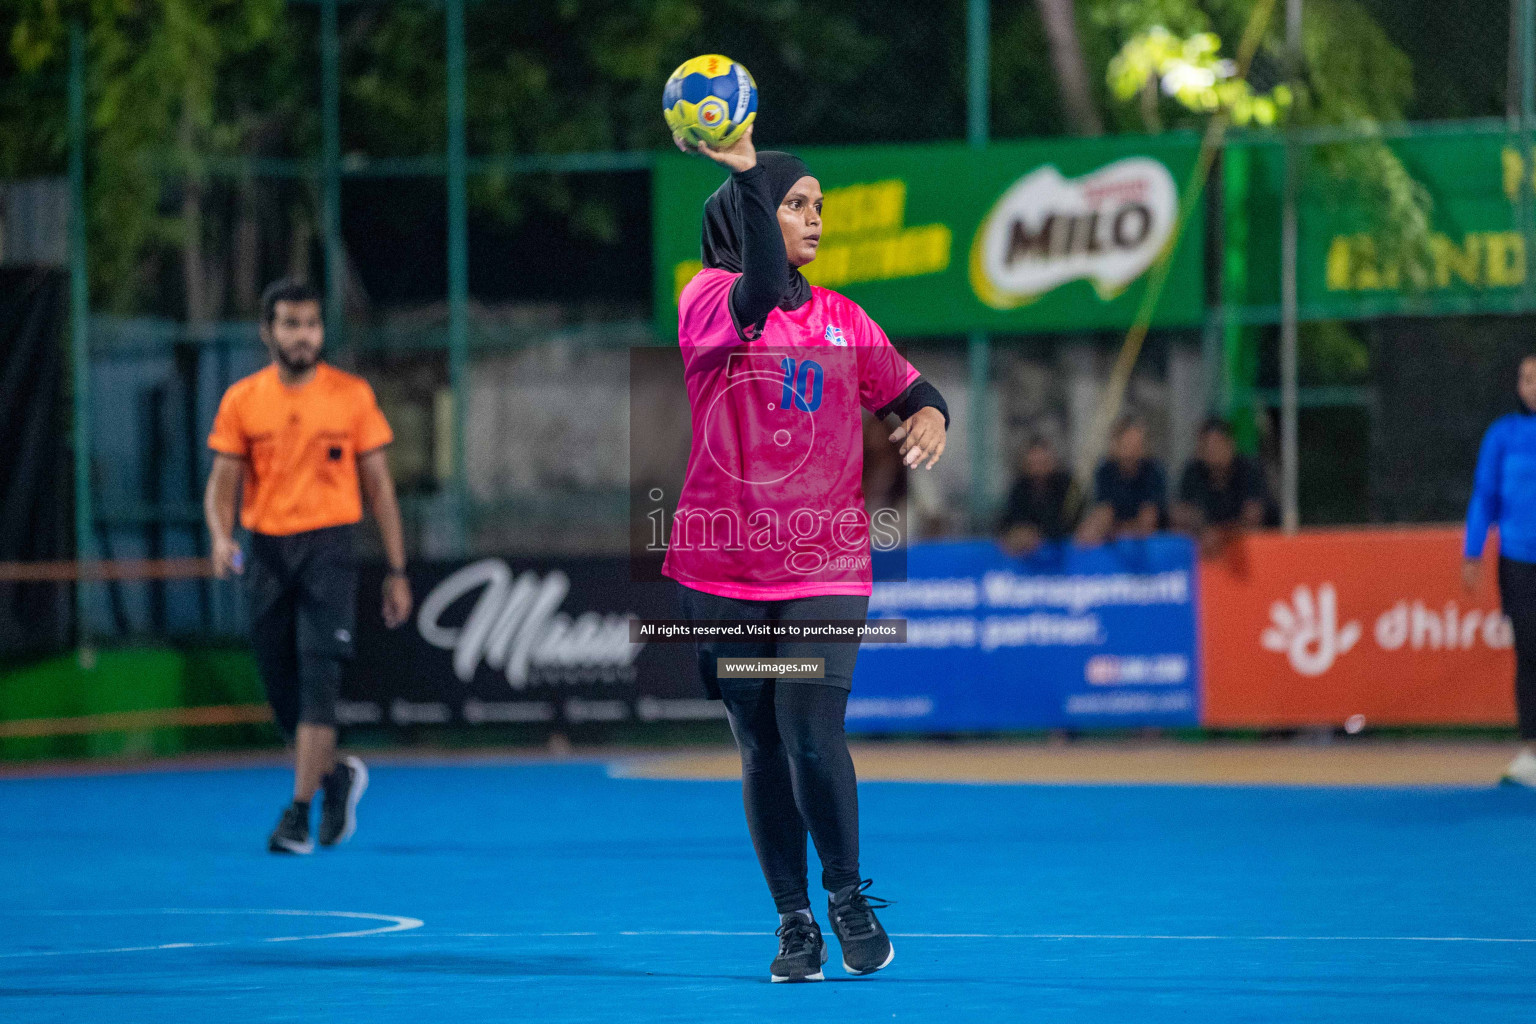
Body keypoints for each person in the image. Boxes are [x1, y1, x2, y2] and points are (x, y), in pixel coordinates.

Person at [664, 126, 948, 982]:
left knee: (810, 733)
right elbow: (756, 287)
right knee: (760, 746)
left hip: (824, 563)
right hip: (722, 567)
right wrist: (749, 172)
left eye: (817, 206)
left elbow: (908, 387)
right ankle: (794, 921)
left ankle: (848, 895)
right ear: (746, 214)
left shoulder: (843, 319)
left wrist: (930, 412)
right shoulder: (707, 299)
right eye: (795, 205)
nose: (814, 219)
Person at [204, 279, 413, 854]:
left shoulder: (351, 396)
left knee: (321, 681)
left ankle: (297, 814)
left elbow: (380, 490)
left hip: (329, 552)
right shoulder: (243, 400)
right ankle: (335, 775)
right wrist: (222, 539)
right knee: (283, 696)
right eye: (291, 324)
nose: (303, 335)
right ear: (268, 332)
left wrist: (396, 570)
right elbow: (221, 485)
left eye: (312, 324)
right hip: (267, 552)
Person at [1464, 354, 1536, 786]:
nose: (1534, 385)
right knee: (1529, 653)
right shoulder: (1503, 435)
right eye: (1527, 378)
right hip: (1518, 561)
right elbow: (1484, 495)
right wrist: (1472, 552)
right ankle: (1531, 751)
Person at [1172, 417, 1266, 556]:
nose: (1212, 451)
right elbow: (1180, 515)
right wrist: (1201, 529)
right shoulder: (1193, 472)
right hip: (1203, 545)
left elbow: (1253, 518)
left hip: (1249, 551)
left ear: (1230, 444)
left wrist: (1220, 535)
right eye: (1206, 446)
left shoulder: (1249, 470)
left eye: (1217, 444)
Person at [1076, 414, 1166, 545]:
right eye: (1127, 443)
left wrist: (1117, 532)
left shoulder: (1153, 471)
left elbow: (1148, 521)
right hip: (1117, 532)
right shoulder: (1105, 470)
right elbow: (1104, 513)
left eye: (1137, 443)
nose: (1132, 449)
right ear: (1116, 443)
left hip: (1148, 542)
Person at [998, 436, 1080, 557]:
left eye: (1043, 462)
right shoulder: (1020, 488)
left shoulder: (1067, 487)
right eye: (1033, 464)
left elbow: (1070, 522)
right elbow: (1009, 519)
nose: (1038, 469)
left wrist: (1037, 534)